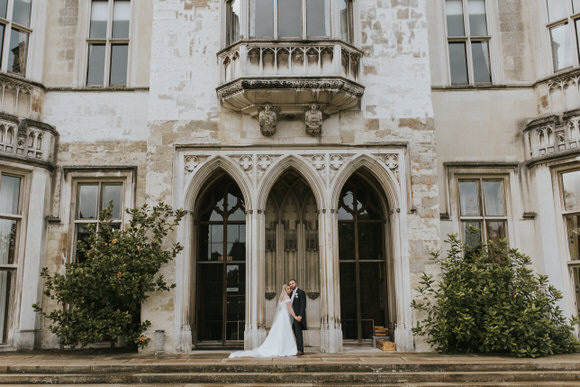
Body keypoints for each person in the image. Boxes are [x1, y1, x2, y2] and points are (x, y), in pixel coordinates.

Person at [229, 284, 298, 358]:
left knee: (280, 332)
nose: (289, 290)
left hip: (281, 316)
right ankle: (284, 349)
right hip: (284, 316)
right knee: (283, 332)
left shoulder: (281, 297)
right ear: (284, 290)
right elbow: (290, 309)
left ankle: (282, 348)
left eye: (289, 289)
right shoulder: (286, 297)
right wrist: (295, 317)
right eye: (288, 289)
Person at [288, 279, 306, 356]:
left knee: (298, 333)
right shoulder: (290, 293)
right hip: (292, 317)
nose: (291, 285)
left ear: (296, 283)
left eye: (292, 283)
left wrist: (300, 315)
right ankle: (296, 348)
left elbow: (303, 305)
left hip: (298, 317)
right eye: (290, 284)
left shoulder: (301, 292)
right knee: (295, 333)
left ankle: (300, 350)